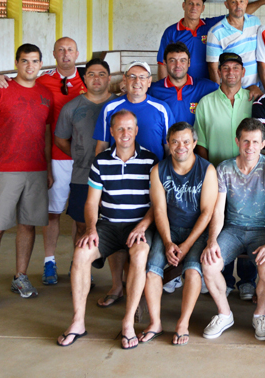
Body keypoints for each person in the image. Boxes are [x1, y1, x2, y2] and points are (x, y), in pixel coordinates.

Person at [0, 37, 86, 286]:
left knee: (81, 216)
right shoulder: (42, 81)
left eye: (70, 50)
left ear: (77, 53)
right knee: (52, 213)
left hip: (85, 159)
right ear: (53, 55)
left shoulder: (89, 79)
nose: (66, 54)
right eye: (61, 50)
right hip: (54, 156)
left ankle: (79, 264)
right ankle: (49, 262)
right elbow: (21, 82)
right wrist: (1, 78)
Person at [57, 110, 156, 349]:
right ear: (111, 132)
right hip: (108, 225)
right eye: (119, 129)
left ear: (136, 130)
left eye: (129, 128)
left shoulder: (150, 160)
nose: (125, 133)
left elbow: (157, 204)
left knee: (140, 254)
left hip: (138, 226)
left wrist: (142, 225)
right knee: (81, 254)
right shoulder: (100, 161)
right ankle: (78, 321)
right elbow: (91, 203)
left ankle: (128, 323)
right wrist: (90, 228)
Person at [0, 44, 53, 308]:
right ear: (16, 63)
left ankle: (20, 277)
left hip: (36, 170)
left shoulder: (45, 94)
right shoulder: (0, 90)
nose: (30, 66)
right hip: (5, 169)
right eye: (24, 61)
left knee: (28, 225)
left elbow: (45, 134)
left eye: (34, 61)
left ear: (41, 63)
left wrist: (49, 169)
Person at [200, 119, 265, 341]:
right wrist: (212, 241)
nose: (250, 147)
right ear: (237, 141)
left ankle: (259, 314)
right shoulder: (225, 168)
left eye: (255, 142)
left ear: (263, 144)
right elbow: (218, 211)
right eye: (246, 141)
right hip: (233, 228)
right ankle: (224, 313)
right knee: (209, 265)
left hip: (263, 230)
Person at [140, 122, 218, 346]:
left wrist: (186, 246)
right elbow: (159, 210)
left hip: (196, 230)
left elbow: (206, 213)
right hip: (168, 229)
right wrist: (167, 242)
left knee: (193, 273)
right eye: (175, 141)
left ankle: (183, 323)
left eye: (186, 141)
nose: (180, 146)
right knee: (152, 271)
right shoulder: (158, 170)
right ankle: (155, 322)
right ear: (168, 143)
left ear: (194, 143)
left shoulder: (207, 170)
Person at [193, 52, 257, 298]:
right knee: (223, 226)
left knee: (248, 223)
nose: (231, 72)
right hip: (218, 176)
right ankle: (226, 278)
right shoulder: (206, 103)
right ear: (219, 72)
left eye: (235, 68)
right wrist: (210, 176)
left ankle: (248, 280)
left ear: (243, 72)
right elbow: (202, 144)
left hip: (250, 176)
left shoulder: (253, 100)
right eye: (226, 68)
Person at [55, 59, 116, 244]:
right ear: (84, 79)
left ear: (109, 79)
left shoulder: (119, 105)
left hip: (115, 177)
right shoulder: (71, 108)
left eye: (101, 74)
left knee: (116, 227)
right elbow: (61, 139)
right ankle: (81, 269)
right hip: (82, 176)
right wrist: (79, 155)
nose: (96, 78)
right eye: (91, 74)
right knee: (82, 225)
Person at [158, 0, 265, 81]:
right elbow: (162, 64)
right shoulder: (171, 32)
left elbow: (238, 11)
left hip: (207, 83)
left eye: (198, 4)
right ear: (184, 6)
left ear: (203, 8)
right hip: (182, 84)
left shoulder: (210, 26)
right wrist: (164, 88)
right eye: (190, 4)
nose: (194, 7)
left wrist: (264, 1)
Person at [94, 61, 174, 161]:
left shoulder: (162, 109)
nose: (137, 81)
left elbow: (170, 148)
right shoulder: (110, 108)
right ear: (124, 80)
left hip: (153, 173)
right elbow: (101, 146)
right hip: (118, 173)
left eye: (142, 77)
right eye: (132, 76)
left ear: (149, 82)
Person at [206, 0, 263, 98]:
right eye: (233, 2)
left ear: (246, 3)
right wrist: (222, 96)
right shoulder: (216, 32)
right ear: (226, 5)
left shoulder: (255, 22)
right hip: (232, 94)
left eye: (241, 1)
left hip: (256, 91)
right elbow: (213, 69)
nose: (238, 5)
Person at [149, 42, 218, 125]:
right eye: (172, 60)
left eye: (183, 60)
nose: (178, 65)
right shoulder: (153, 90)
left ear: (189, 63)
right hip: (167, 138)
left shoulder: (206, 87)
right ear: (164, 63)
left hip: (197, 138)